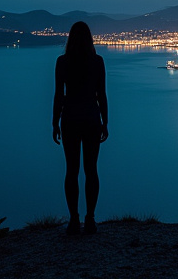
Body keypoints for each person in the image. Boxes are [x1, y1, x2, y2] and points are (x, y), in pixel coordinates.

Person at [52, 20, 108, 235]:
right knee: (91, 170)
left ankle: (74, 219)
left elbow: (59, 95)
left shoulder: (62, 62)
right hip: (92, 118)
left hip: (70, 119)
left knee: (71, 171)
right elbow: (101, 94)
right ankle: (90, 219)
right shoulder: (98, 61)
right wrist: (106, 121)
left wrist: (54, 122)